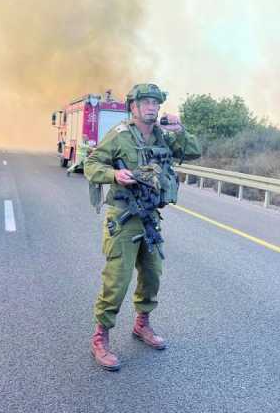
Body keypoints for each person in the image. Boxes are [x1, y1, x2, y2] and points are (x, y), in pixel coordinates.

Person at [84, 83, 201, 371]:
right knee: (117, 279)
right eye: (145, 102)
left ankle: (142, 325)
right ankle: (100, 337)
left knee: (152, 274)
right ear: (133, 106)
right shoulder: (120, 135)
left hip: (149, 216)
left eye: (155, 103)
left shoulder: (163, 135)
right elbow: (91, 164)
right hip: (123, 216)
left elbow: (195, 152)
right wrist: (113, 174)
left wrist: (181, 129)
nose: (152, 107)